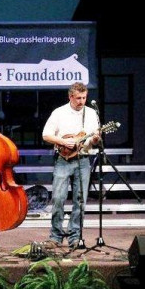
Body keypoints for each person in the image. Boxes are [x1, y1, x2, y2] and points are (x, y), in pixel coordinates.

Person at [42, 82, 100, 248]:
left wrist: (95, 139)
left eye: (84, 98)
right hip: (63, 160)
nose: (81, 101)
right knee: (59, 197)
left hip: (83, 159)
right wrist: (63, 141)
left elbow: (93, 139)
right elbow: (46, 135)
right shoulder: (59, 112)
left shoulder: (91, 113)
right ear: (70, 97)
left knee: (80, 200)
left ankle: (75, 236)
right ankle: (55, 236)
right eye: (78, 98)